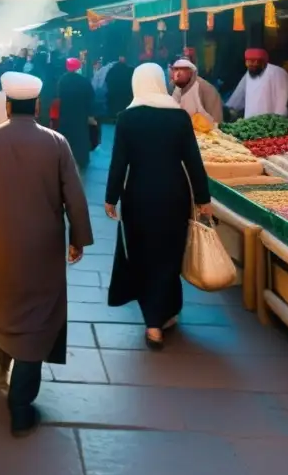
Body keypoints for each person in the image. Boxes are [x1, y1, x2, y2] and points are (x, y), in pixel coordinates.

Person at [0, 72, 93, 437]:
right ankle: (20, 406)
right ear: (36, 105)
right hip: (43, 245)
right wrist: (78, 238)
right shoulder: (56, 142)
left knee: (3, 297)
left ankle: (4, 354)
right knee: (38, 310)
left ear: (6, 106)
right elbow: (74, 195)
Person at [103, 63, 212, 350]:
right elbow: (193, 161)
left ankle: (153, 323)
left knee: (143, 254)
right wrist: (203, 199)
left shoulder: (127, 118)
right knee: (169, 254)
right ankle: (164, 314)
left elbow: (119, 163)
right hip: (173, 195)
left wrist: (111, 197)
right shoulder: (178, 118)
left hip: (138, 196)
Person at [225, 48, 288, 119]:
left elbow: (282, 104)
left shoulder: (279, 73)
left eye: (256, 61)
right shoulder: (249, 74)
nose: (253, 64)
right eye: (250, 61)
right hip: (249, 124)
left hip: (271, 123)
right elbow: (237, 97)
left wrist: (278, 122)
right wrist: (228, 111)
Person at [57, 57, 97, 168]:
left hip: (65, 113)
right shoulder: (84, 81)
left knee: (66, 136)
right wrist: (91, 114)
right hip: (80, 114)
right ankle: (82, 159)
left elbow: (59, 96)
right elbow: (91, 97)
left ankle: (64, 158)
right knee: (81, 137)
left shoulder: (62, 80)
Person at [171, 58, 224, 124]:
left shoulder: (205, 88)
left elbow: (216, 120)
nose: (177, 74)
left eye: (181, 70)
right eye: (176, 70)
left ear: (190, 72)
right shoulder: (178, 87)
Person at [104, 54, 134, 119]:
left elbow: (106, 82)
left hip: (113, 101)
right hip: (127, 101)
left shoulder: (111, 70)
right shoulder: (131, 70)